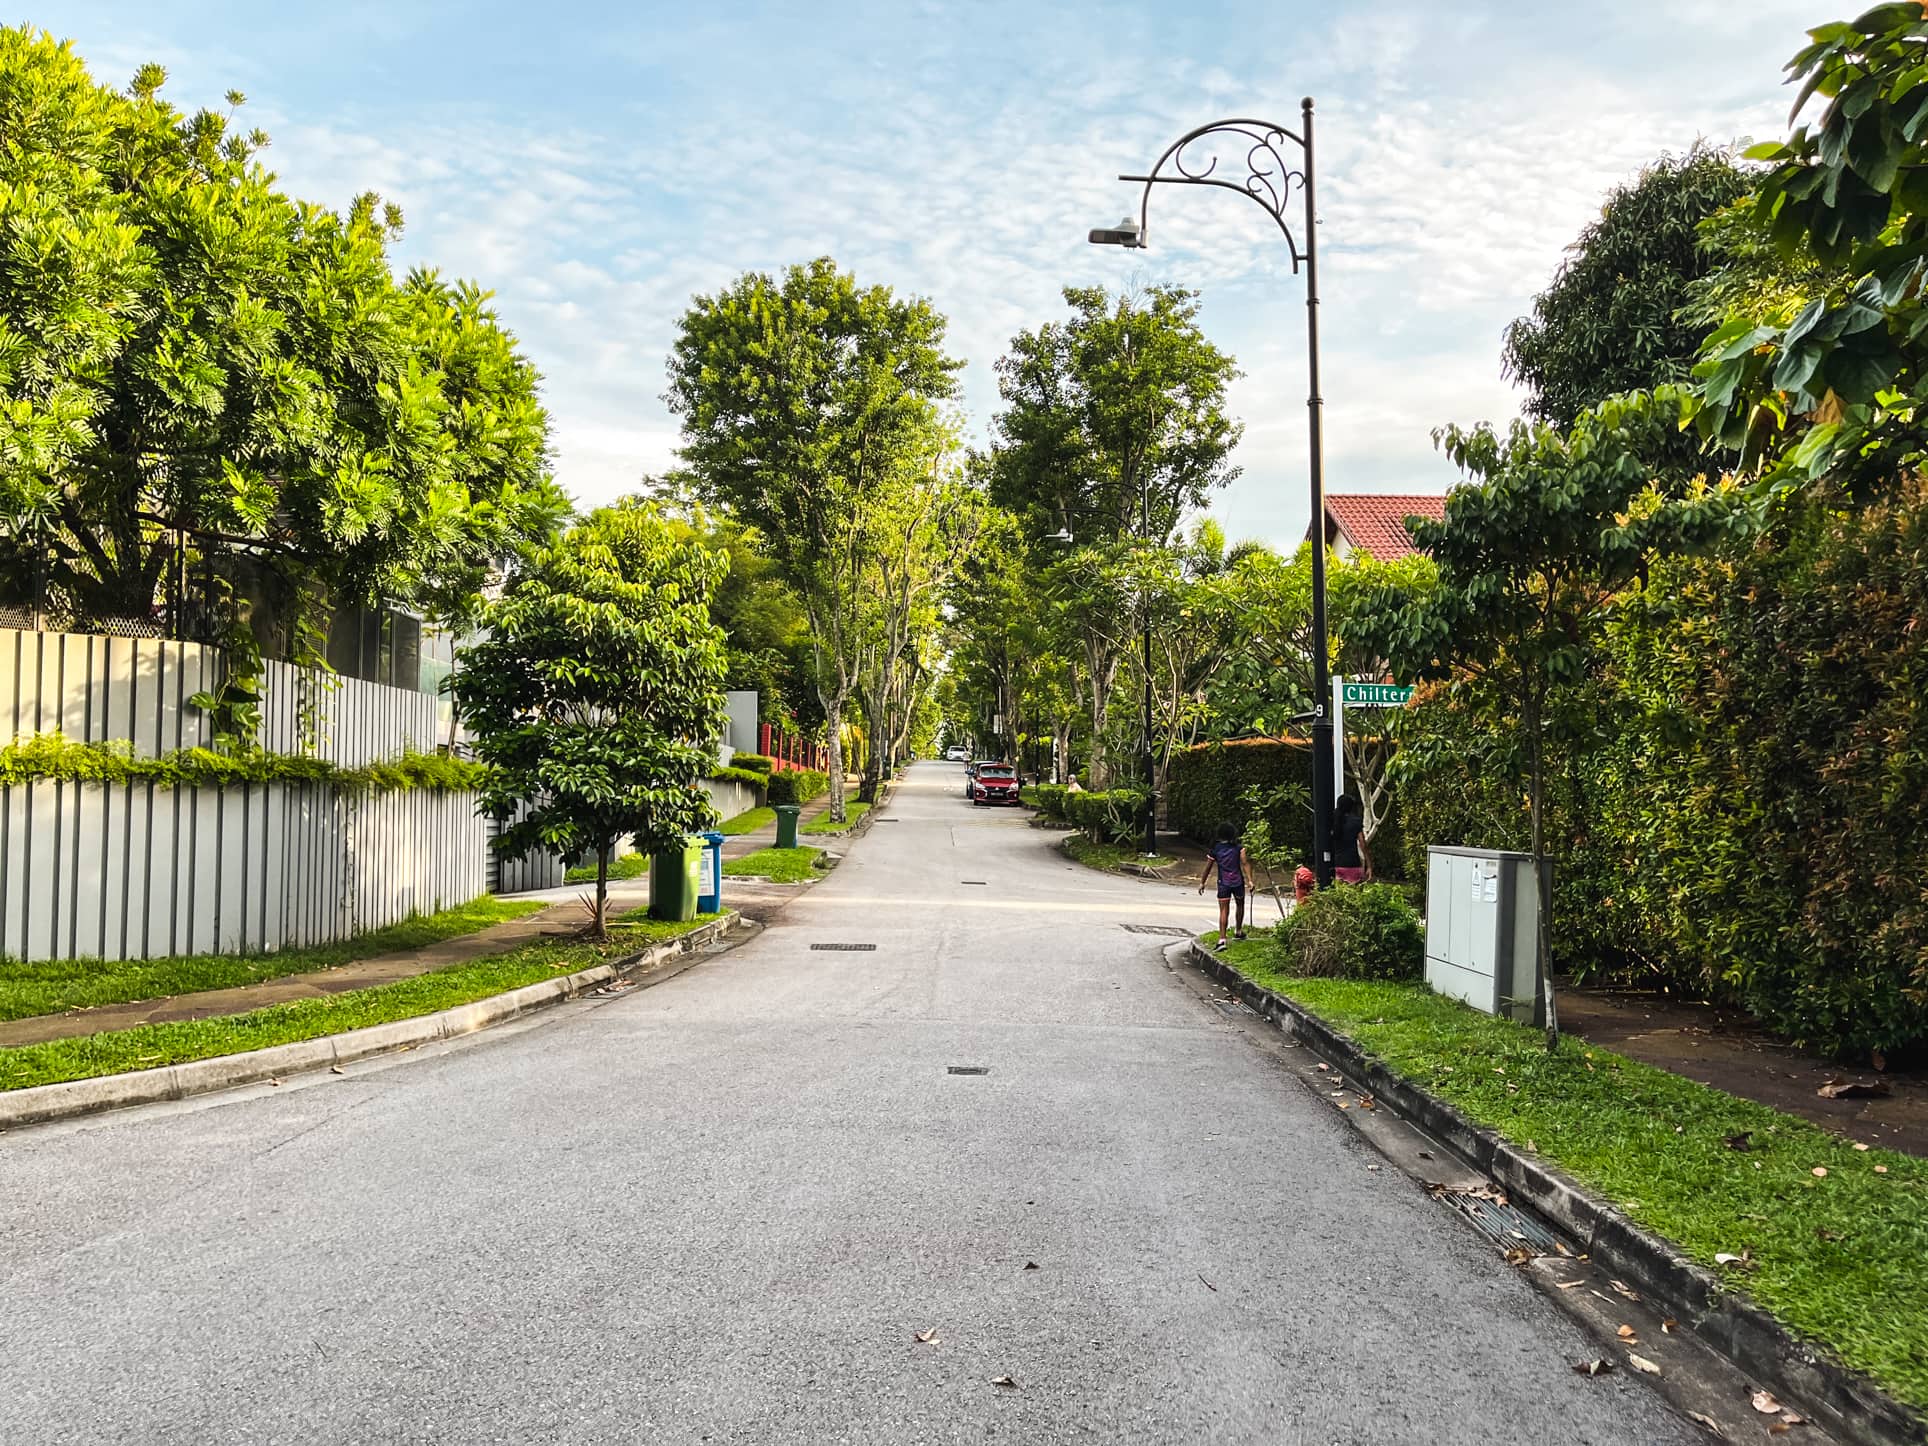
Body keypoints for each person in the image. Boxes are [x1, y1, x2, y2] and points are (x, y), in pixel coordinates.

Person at [1197, 822, 1254, 948]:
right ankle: (1238, 931)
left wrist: (1202, 883)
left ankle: (1222, 939)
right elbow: (1245, 864)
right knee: (1240, 905)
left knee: (1224, 910)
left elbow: (1208, 867)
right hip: (1238, 882)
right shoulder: (1239, 848)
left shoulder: (1216, 849)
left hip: (1223, 883)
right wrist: (1250, 881)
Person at [1333, 793, 1372, 885]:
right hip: (1351, 863)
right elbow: (1363, 844)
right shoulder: (1355, 821)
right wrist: (1369, 865)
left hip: (1335, 863)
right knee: (1353, 895)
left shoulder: (1333, 820)